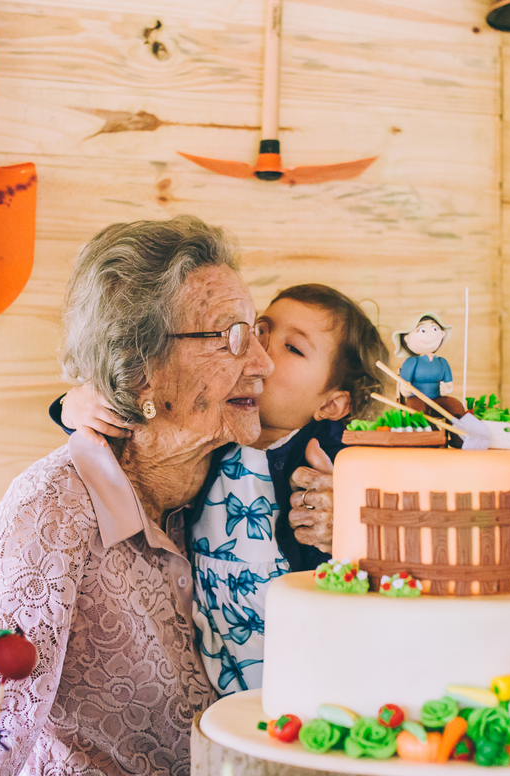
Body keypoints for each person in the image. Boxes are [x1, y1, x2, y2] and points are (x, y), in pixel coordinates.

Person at [0, 216, 273, 776]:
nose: (263, 362)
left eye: (256, 331)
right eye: (231, 337)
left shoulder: (239, 482)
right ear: (140, 368)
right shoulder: (51, 513)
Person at [61, 284, 390, 696]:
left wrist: (352, 517)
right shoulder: (214, 425)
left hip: (314, 672)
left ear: (332, 405)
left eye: (294, 349)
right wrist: (74, 405)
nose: (263, 350)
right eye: (261, 329)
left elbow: (388, 523)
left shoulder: (334, 456)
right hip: (220, 674)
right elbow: (137, 433)